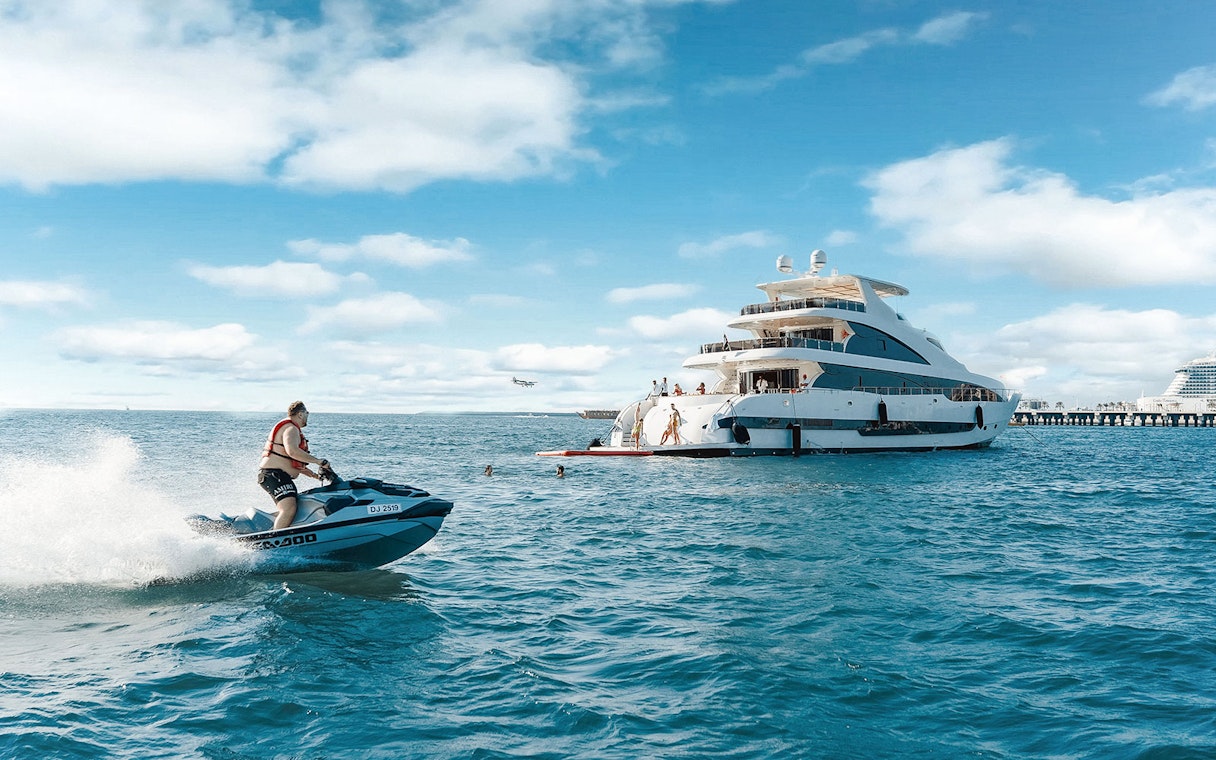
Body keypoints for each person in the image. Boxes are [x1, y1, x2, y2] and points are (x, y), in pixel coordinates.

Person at [258, 401, 331, 531]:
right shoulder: (291, 428)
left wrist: (314, 475)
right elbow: (292, 451)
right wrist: (318, 461)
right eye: (307, 413)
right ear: (300, 414)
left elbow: (291, 460)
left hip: (276, 475)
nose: (308, 416)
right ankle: (276, 540)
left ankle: (275, 529)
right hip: (274, 475)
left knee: (291, 507)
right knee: (289, 509)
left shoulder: (290, 427)